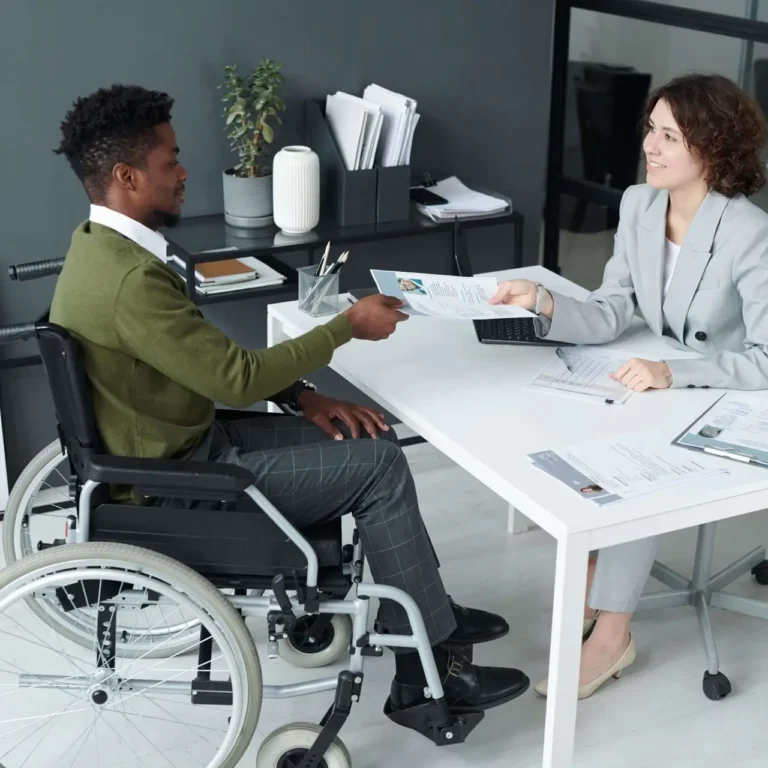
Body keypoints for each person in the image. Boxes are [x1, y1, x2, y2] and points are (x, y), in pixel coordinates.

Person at [50, 84, 529, 729]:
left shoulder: (99, 247)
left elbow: (209, 363)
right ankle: (426, 678)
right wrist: (345, 327)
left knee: (372, 441)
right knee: (381, 468)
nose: (185, 173)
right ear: (126, 176)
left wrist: (304, 396)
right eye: (171, 161)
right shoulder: (133, 280)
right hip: (181, 485)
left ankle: (424, 611)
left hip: (186, 448)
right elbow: (236, 379)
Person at [490, 73, 768, 699]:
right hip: (665, 382)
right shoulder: (640, 204)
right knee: (585, 425)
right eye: (651, 129)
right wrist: (545, 301)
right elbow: (614, 309)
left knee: (637, 466)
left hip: (733, 394)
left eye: (669, 136)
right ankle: (597, 570)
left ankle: (613, 636)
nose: (649, 145)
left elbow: (766, 358)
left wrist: (673, 373)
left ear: (712, 146)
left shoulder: (749, 232)